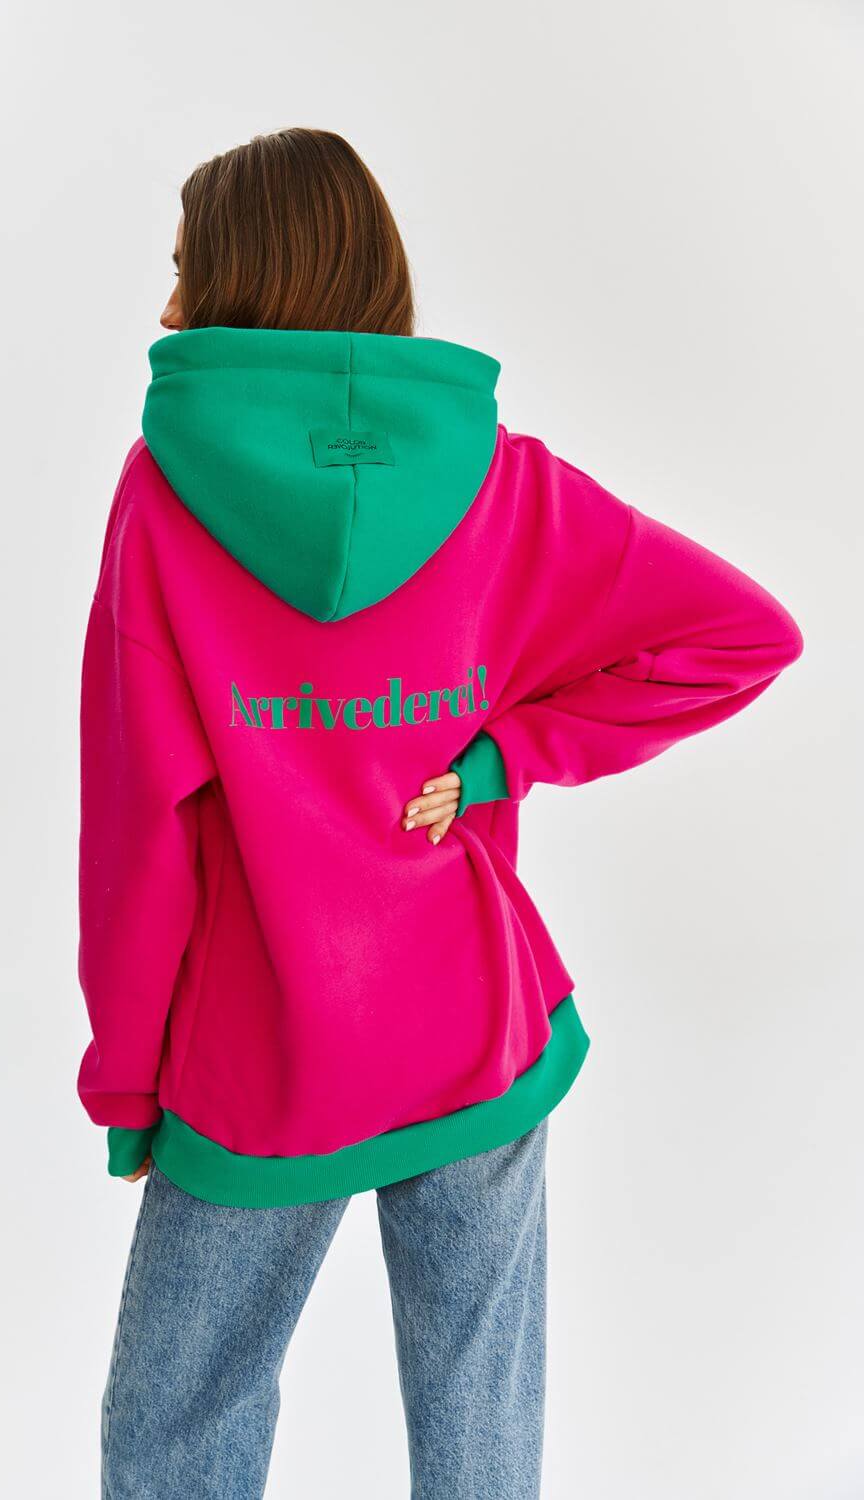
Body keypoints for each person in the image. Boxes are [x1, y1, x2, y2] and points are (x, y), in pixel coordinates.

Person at [76, 128, 803, 1500]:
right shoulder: (503, 483)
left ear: (245, 277)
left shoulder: (162, 499)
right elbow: (739, 635)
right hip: (473, 1023)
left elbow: (136, 827)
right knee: (481, 1432)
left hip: (263, 1059)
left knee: (173, 1426)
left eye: (186, 268)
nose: (169, 309)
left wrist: (127, 1080)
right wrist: (505, 754)